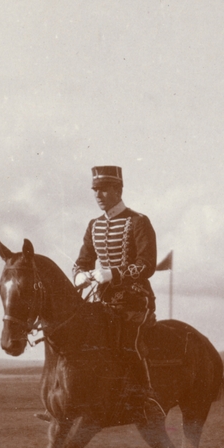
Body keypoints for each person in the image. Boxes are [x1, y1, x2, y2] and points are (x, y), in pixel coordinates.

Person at [72, 165, 162, 421]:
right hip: (102, 299)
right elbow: (82, 260)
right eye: (95, 190)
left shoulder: (138, 221)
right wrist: (79, 275)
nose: (98, 195)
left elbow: (147, 263)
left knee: (128, 341)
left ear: (118, 190)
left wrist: (115, 274)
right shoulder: (94, 225)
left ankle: (145, 398)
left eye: (104, 189)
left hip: (134, 299)